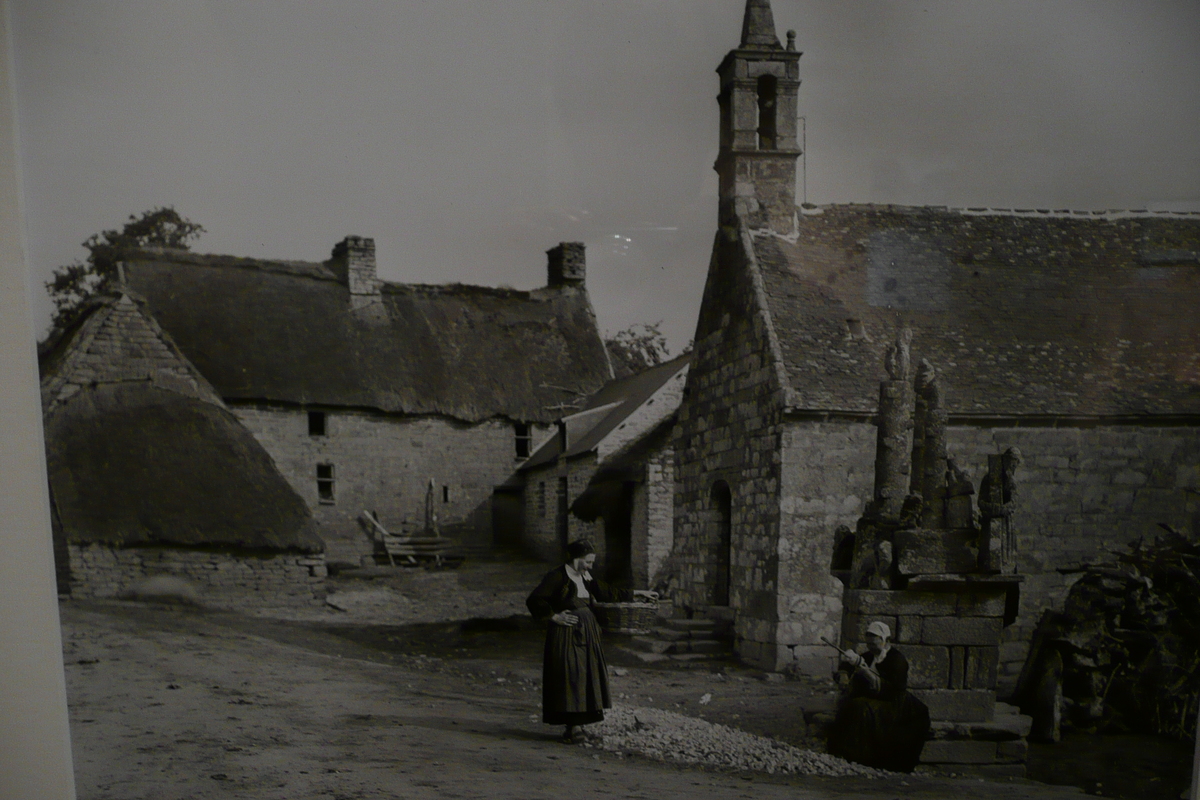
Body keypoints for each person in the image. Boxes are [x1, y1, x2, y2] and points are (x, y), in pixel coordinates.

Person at [526, 539, 658, 743]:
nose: (590, 566)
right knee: (571, 676)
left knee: (586, 676)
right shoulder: (557, 576)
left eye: (591, 562)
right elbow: (535, 599)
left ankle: (577, 727)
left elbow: (607, 592)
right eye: (587, 562)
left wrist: (638, 594)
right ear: (575, 558)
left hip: (587, 633)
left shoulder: (585, 577)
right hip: (567, 635)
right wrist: (555, 617)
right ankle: (573, 728)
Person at [827, 620, 930, 772]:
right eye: (868, 644)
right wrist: (844, 674)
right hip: (876, 699)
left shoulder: (897, 659)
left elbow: (891, 688)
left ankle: (867, 759)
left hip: (895, 703)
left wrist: (864, 670)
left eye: (874, 644)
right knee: (851, 705)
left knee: (861, 708)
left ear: (885, 641)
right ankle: (844, 754)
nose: (870, 648)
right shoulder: (870, 655)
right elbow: (848, 665)